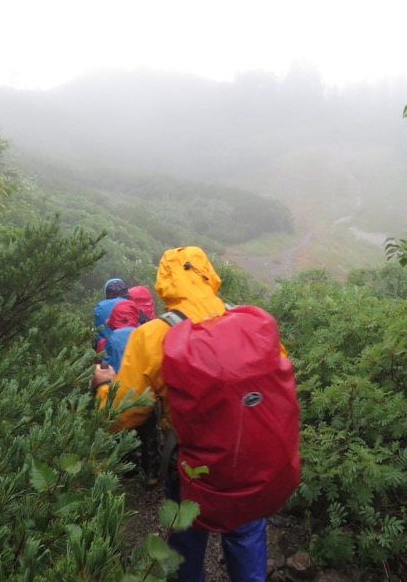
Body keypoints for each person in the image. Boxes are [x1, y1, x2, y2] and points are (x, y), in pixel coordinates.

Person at [92, 246, 274, 582]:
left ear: (163, 282)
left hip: (192, 465)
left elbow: (121, 416)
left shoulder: (154, 334)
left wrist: (104, 387)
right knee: (246, 533)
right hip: (249, 457)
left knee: (186, 544)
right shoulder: (250, 320)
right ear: (209, 274)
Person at [93, 299, 161, 487]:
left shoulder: (110, 340)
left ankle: (130, 471)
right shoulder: (143, 335)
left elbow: (103, 364)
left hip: (120, 394)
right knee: (149, 435)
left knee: (124, 434)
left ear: (113, 320)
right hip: (145, 393)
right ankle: (152, 473)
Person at [92, 278, 130, 350]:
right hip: (128, 350)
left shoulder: (99, 307)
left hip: (104, 352)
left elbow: (96, 332)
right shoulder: (132, 306)